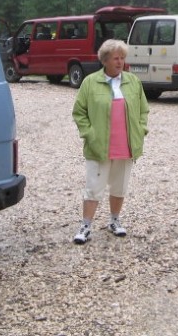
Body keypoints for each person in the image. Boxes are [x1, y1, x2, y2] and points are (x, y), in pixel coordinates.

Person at [71, 39, 149, 244]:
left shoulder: (133, 81)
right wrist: (89, 134)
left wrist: (141, 129)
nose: (120, 62)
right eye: (116, 58)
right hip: (99, 145)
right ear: (105, 60)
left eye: (123, 58)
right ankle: (85, 226)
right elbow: (79, 112)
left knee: (119, 186)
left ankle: (115, 221)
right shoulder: (90, 82)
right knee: (94, 186)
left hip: (126, 144)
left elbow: (143, 110)